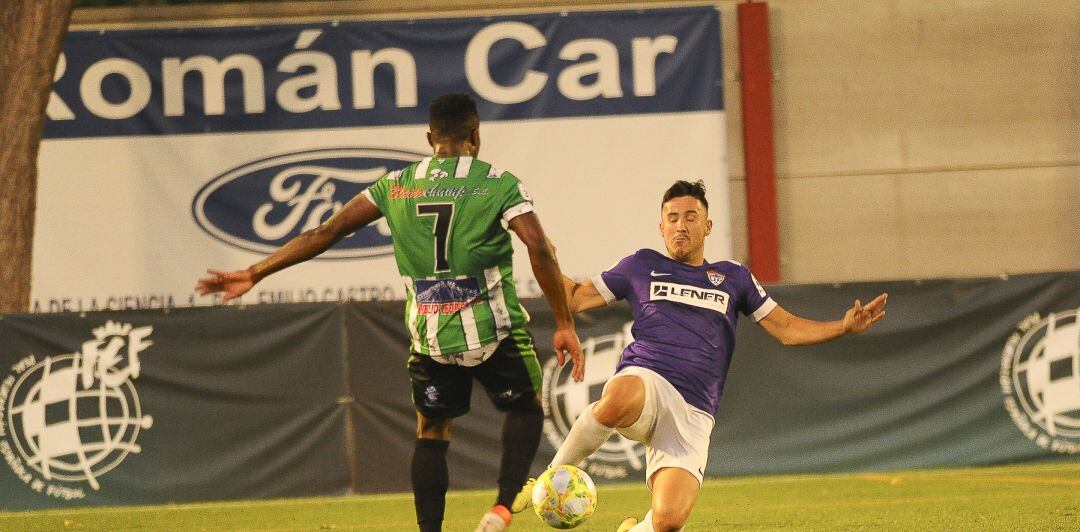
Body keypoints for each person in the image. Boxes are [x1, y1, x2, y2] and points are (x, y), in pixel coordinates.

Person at [196, 93, 585, 532]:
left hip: (432, 340)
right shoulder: (498, 182)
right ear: (476, 136)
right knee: (527, 408)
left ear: (429, 137)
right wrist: (564, 322)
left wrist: (256, 271)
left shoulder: (395, 185)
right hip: (494, 331)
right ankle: (499, 509)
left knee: (432, 433)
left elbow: (326, 232)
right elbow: (539, 247)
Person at [514, 180, 887, 531]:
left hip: (694, 410)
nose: (681, 226)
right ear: (660, 227)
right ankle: (548, 478)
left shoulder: (734, 277)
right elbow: (577, 298)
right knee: (618, 398)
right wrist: (543, 255)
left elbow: (786, 328)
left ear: (707, 226)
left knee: (669, 521)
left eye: (690, 217)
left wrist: (842, 325)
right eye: (672, 218)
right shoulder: (641, 265)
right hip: (648, 378)